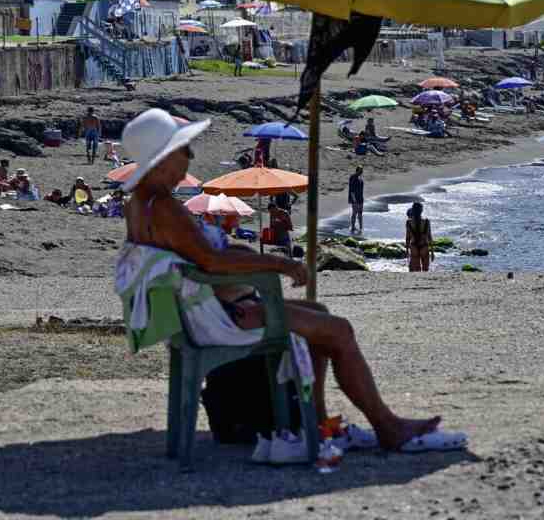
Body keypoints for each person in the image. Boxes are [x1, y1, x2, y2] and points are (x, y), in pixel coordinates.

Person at [120, 109, 460, 451]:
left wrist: (241, 255)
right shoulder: (163, 207)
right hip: (223, 317)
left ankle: (320, 424)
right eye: (184, 149)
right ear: (162, 158)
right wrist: (279, 265)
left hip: (202, 312)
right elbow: (210, 261)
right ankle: (388, 427)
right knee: (339, 329)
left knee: (319, 311)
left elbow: (196, 257)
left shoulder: (141, 205)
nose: (191, 157)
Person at [405, 202, 434, 272]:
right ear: (422, 211)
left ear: (413, 210)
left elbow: (407, 238)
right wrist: (432, 252)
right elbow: (429, 236)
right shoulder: (426, 221)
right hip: (424, 246)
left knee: (416, 270)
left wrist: (407, 251)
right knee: (425, 270)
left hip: (414, 246)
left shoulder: (409, 222)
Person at [348, 166, 364, 234]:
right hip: (355, 199)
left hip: (360, 198)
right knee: (354, 213)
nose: (361, 172)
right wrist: (354, 200)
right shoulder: (353, 177)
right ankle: (353, 227)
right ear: (357, 170)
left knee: (360, 213)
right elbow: (351, 190)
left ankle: (361, 228)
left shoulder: (360, 178)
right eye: (360, 171)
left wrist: (362, 199)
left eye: (362, 171)